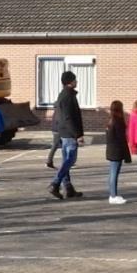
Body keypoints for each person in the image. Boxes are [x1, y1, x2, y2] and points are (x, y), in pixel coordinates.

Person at [48, 71, 84, 200]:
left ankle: (68, 188)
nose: (76, 82)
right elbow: (69, 117)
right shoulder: (68, 96)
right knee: (70, 160)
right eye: (75, 80)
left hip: (64, 131)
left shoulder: (64, 95)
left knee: (66, 160)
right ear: (70, 81)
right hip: (69, 133)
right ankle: (55, 183)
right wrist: (78, 134)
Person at [105, 100, 131, 204]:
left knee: (112, 173)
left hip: (111, 150)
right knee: (114, 173)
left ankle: (112, 194)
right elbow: (122, 139)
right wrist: (127, 155)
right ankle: (113, 195)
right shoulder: (118, 122)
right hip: (117, 151)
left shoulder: (110, 121)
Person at [45, 105, 61, 169]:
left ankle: (49, 161)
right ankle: (49, 161)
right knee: (55, 145)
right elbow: (59, 121)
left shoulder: (56, 110)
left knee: (57, 145)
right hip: (58, 130)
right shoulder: (59, 111)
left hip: (55, 130)